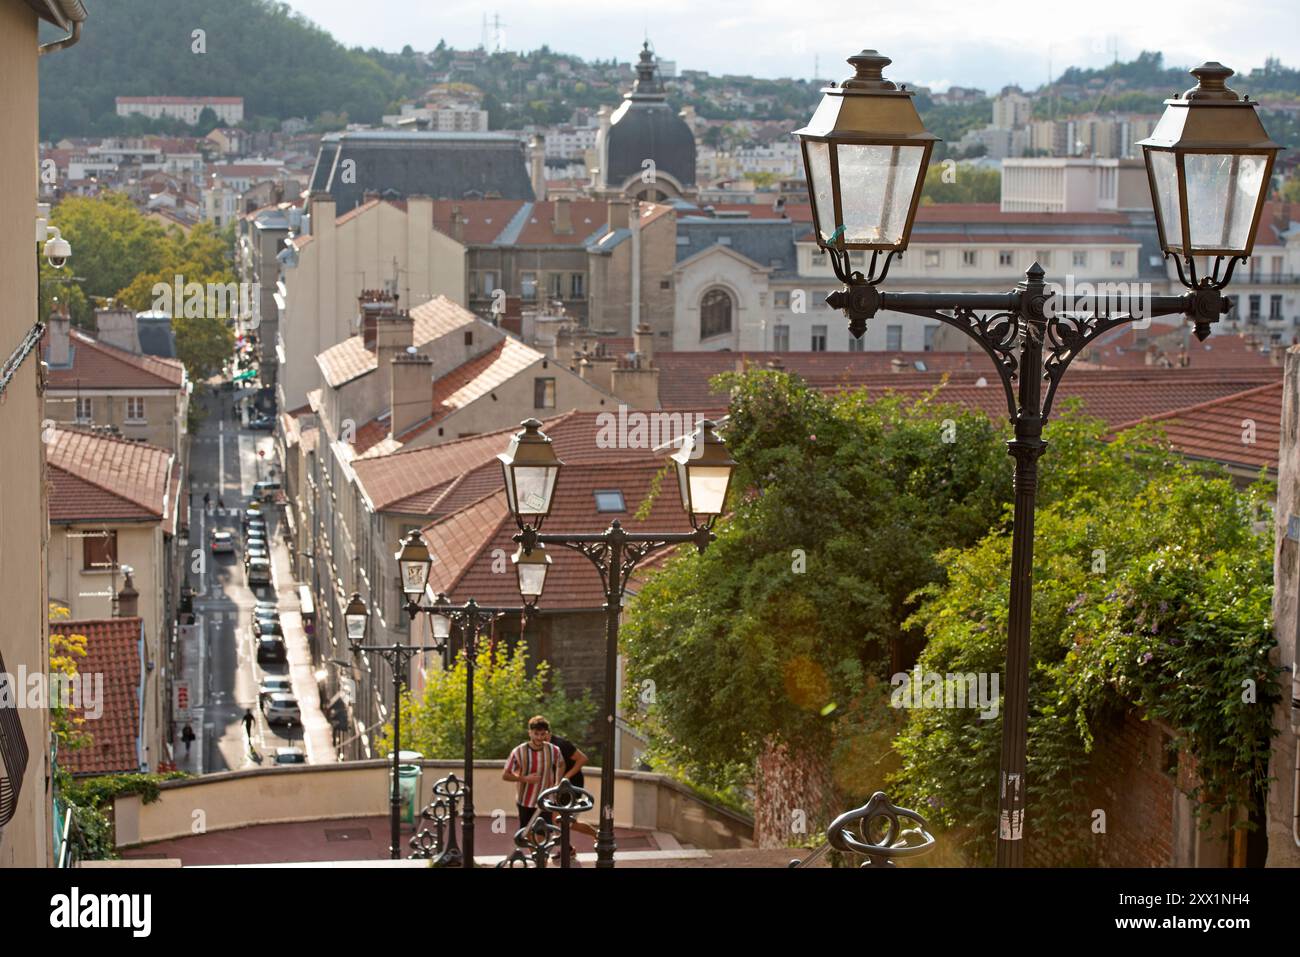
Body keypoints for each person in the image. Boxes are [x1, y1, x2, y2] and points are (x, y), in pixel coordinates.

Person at [503, 715, 566, 835]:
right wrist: (524, 778)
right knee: (527, 832)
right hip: (525, 800)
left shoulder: (554, 750)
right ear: (530, 733)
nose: (539, 737)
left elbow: (561, 764)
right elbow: (505, 775)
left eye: (543, 734)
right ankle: (535, 854)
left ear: (547, 734)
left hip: (545, 799)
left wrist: (558, 782)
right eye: (536, 734)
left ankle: (540, 854)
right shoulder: (519, 751)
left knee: (544, 832)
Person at [546, 728, 598, 860]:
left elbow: (583, 759)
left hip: (572, 787)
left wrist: (566, 777)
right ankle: (568, 848)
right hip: (558, 787)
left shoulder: (561, 744)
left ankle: (598, 835)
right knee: (556, 819)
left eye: (543, 733)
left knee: (568, 822)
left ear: (549, 732)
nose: (540, 737)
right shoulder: (544, 746)